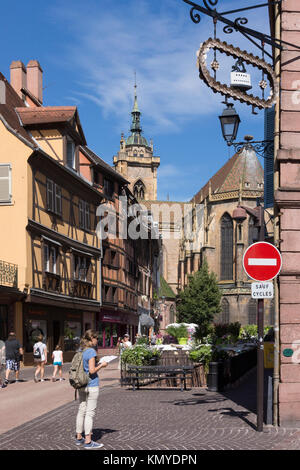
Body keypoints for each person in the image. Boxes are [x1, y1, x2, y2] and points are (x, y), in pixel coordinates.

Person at [75, 329, 108, 449]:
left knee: (81, 410)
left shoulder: (80, 350)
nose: (97, 341)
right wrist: (102, 365)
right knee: (90, 413)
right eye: (96, 338)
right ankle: (88, 441)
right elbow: (92, 370)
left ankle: (79, 437)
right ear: (91, 339)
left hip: (81, 384)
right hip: (91, 384)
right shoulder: (91, 352)